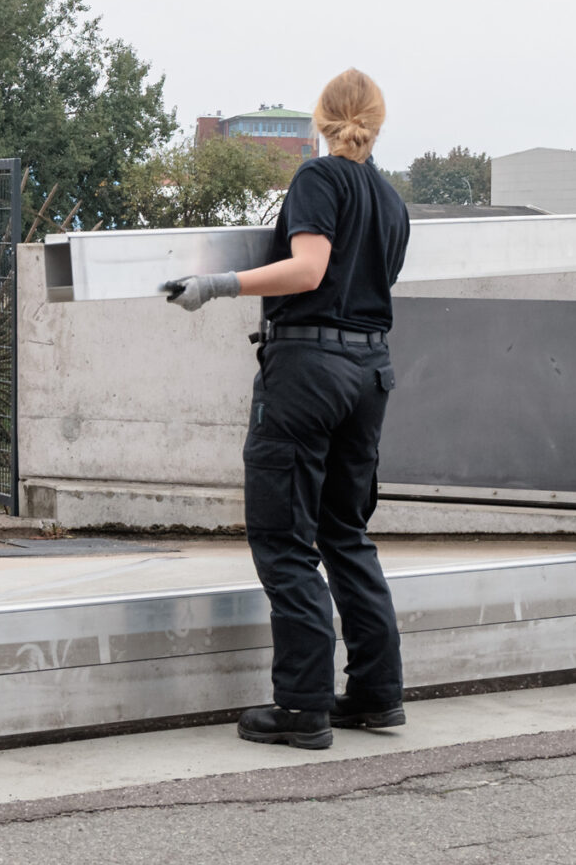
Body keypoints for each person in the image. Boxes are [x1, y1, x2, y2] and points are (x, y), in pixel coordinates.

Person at [162, 69, 410, 749]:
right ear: (378, 122)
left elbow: (308, 269)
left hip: (308, 371)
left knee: (283, 538)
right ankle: (377, 694)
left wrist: (217, 284)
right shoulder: (391, 199)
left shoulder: (318, 180)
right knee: (345, 533)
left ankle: (302, 706)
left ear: (320, 120)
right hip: (370, 372)